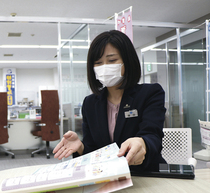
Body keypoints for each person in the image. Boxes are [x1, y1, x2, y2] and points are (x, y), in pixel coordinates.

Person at [53, 30, 166, 172]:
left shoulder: (150, 93)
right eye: (98, 63)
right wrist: (81, 147)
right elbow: (93, 151)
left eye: (112, 60)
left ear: (128, 61)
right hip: (108, 178)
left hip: (145, 174)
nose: (104, 67)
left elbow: (153, 136)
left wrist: (142, 142)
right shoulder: (90, 103)